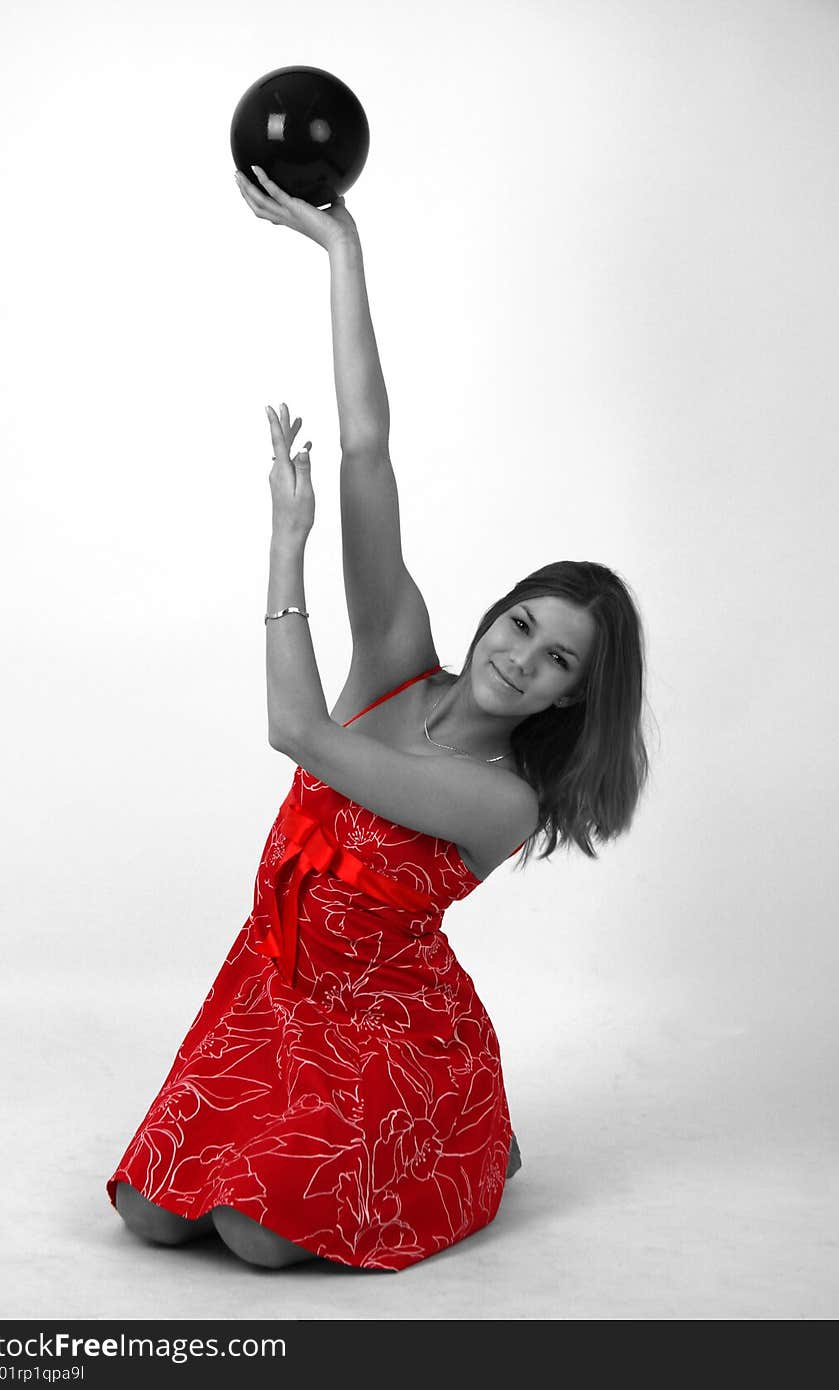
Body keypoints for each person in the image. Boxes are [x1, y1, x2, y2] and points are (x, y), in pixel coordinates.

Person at [106, 165, 650, 1271]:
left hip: (389, 1038)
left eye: (555, 662)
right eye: (521, 624)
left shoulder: (500, 798)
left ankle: (469, 1140)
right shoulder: (400, 657)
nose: (519, 659)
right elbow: (367, 448)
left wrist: (283, 545)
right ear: (494, 610)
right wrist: (339, 248)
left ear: (567, 697)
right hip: (265, 991)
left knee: (259, 1237)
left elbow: (300, 732)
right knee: (150, 1218)